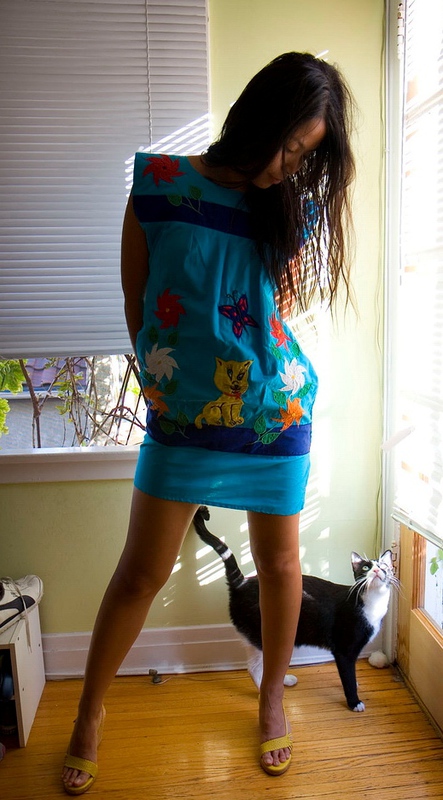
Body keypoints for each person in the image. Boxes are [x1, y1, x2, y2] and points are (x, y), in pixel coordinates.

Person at [62, 51, 355, 793]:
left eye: (305, 156)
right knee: (139, 573)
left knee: (282, 567)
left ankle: (270, 700)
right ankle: (89, 713)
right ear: (259, 118)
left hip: (273, 414)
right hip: (182, 418)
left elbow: (272, 313)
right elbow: (137, 303)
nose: (290, 167)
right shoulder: (159, 185)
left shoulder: (287, 207)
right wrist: (167, 385)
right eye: (289, 146)